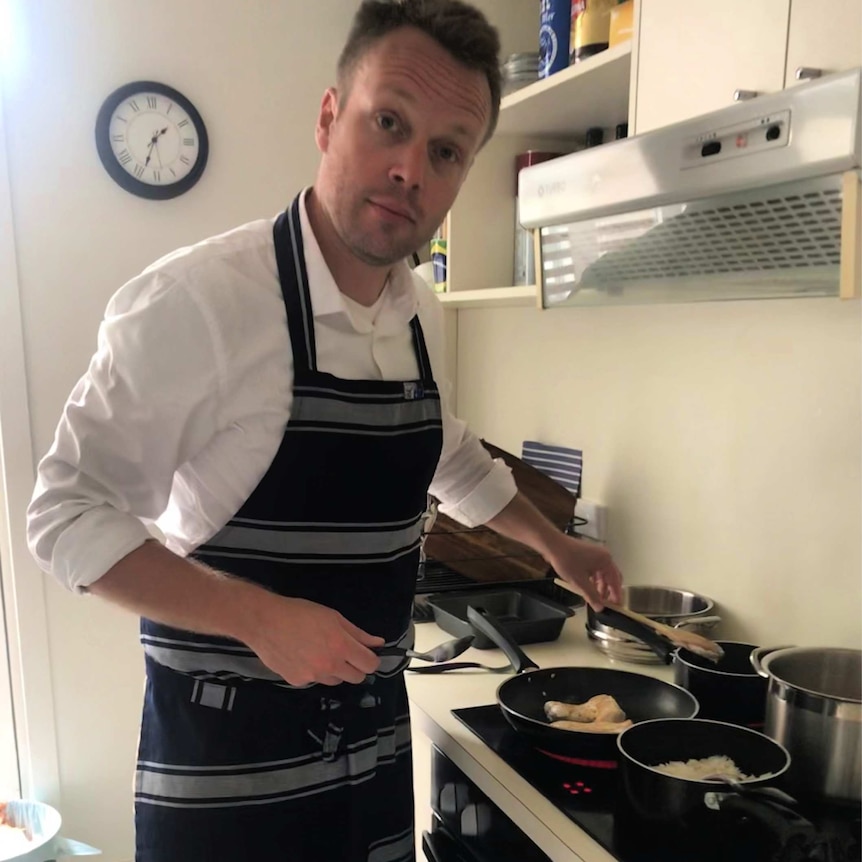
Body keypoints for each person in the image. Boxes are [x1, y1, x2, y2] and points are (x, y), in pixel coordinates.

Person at [27, 1, 623, 859]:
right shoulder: (198, 303)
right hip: (226, 777)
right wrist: (258, 617)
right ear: (328, 117)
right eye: (389, 122)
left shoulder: (419, 307)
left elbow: (446, 453)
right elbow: (63, 514)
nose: (410, 169)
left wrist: (550, 545)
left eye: (446, 151)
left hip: (373, 756)